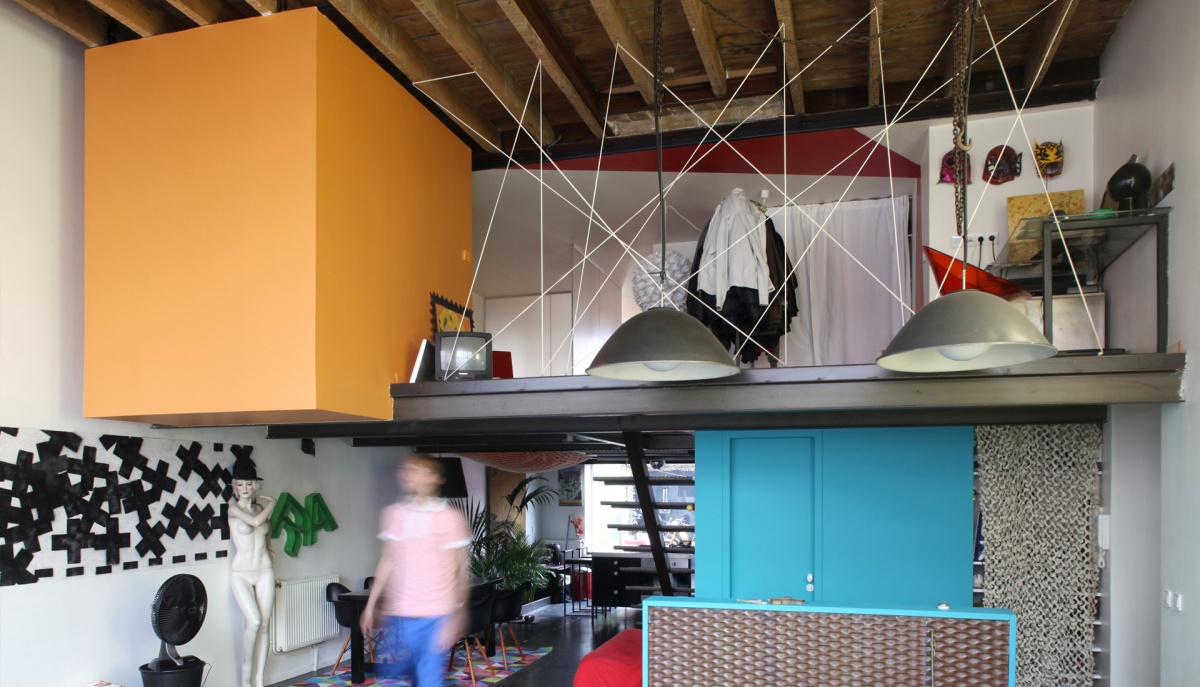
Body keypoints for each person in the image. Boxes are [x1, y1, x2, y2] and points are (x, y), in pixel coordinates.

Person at [361, 454, 471, 687]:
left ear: (434, 477)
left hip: (436, 615)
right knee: (390, 675)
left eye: (417, 469)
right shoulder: (394, 514)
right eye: (406, 469)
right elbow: (387, 560)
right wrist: (370, 605)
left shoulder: (449, 518)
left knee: (429, 679)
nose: (408, 474)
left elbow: (462, 571)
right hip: (399, 615)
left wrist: (456, 616)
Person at [228, 455, 277, 687]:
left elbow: (266, 529)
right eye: (240, 484)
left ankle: (259, 680)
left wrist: (268, 545)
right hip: (241, 573)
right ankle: (246, 679)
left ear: (255, 485)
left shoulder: (259, 508)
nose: (245, 488)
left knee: (265, 626)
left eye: (249, 484)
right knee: (255, 622)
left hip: (264, 569)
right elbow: (256, 523)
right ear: (235, 487)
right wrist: (273, 504)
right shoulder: (233, 509)